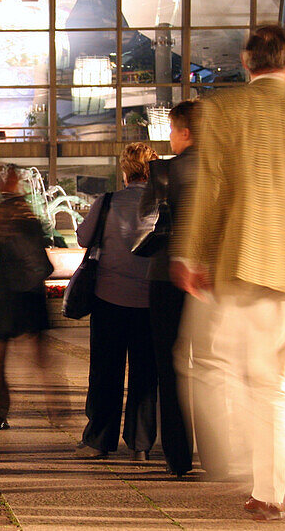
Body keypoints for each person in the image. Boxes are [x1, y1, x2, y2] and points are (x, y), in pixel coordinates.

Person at [172, 24, 285, 521]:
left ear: (248, 64)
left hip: (240, 263)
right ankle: (269, 490)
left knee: (206, 364)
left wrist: (192, 257)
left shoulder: (227, 110)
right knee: (274, 383)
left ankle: (234, 457)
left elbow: (211, 191)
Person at [75, 142, 159, 461]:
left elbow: (83, 238)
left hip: (109, 298)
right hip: (150, 301)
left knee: (106, 370)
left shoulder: (108, 202)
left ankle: (100, 438)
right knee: (145, 373)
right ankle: (141, 443)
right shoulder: (163, 204)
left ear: (124, 170)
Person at [139, 100, 199, 477]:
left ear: (185, 132)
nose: (171, 138)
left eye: (173, 130)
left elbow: (144, 224)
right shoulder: (228, 169)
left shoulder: (164, 172)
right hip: (216, 281)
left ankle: (178, 455)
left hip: (167, 278)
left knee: (170, 367)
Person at [0, 165, 56, 431]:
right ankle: (56, 408)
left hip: (6, 294)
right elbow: (41, 257)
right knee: (42, 356)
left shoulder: (0, 214)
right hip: (31, 292)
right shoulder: (28, 213)